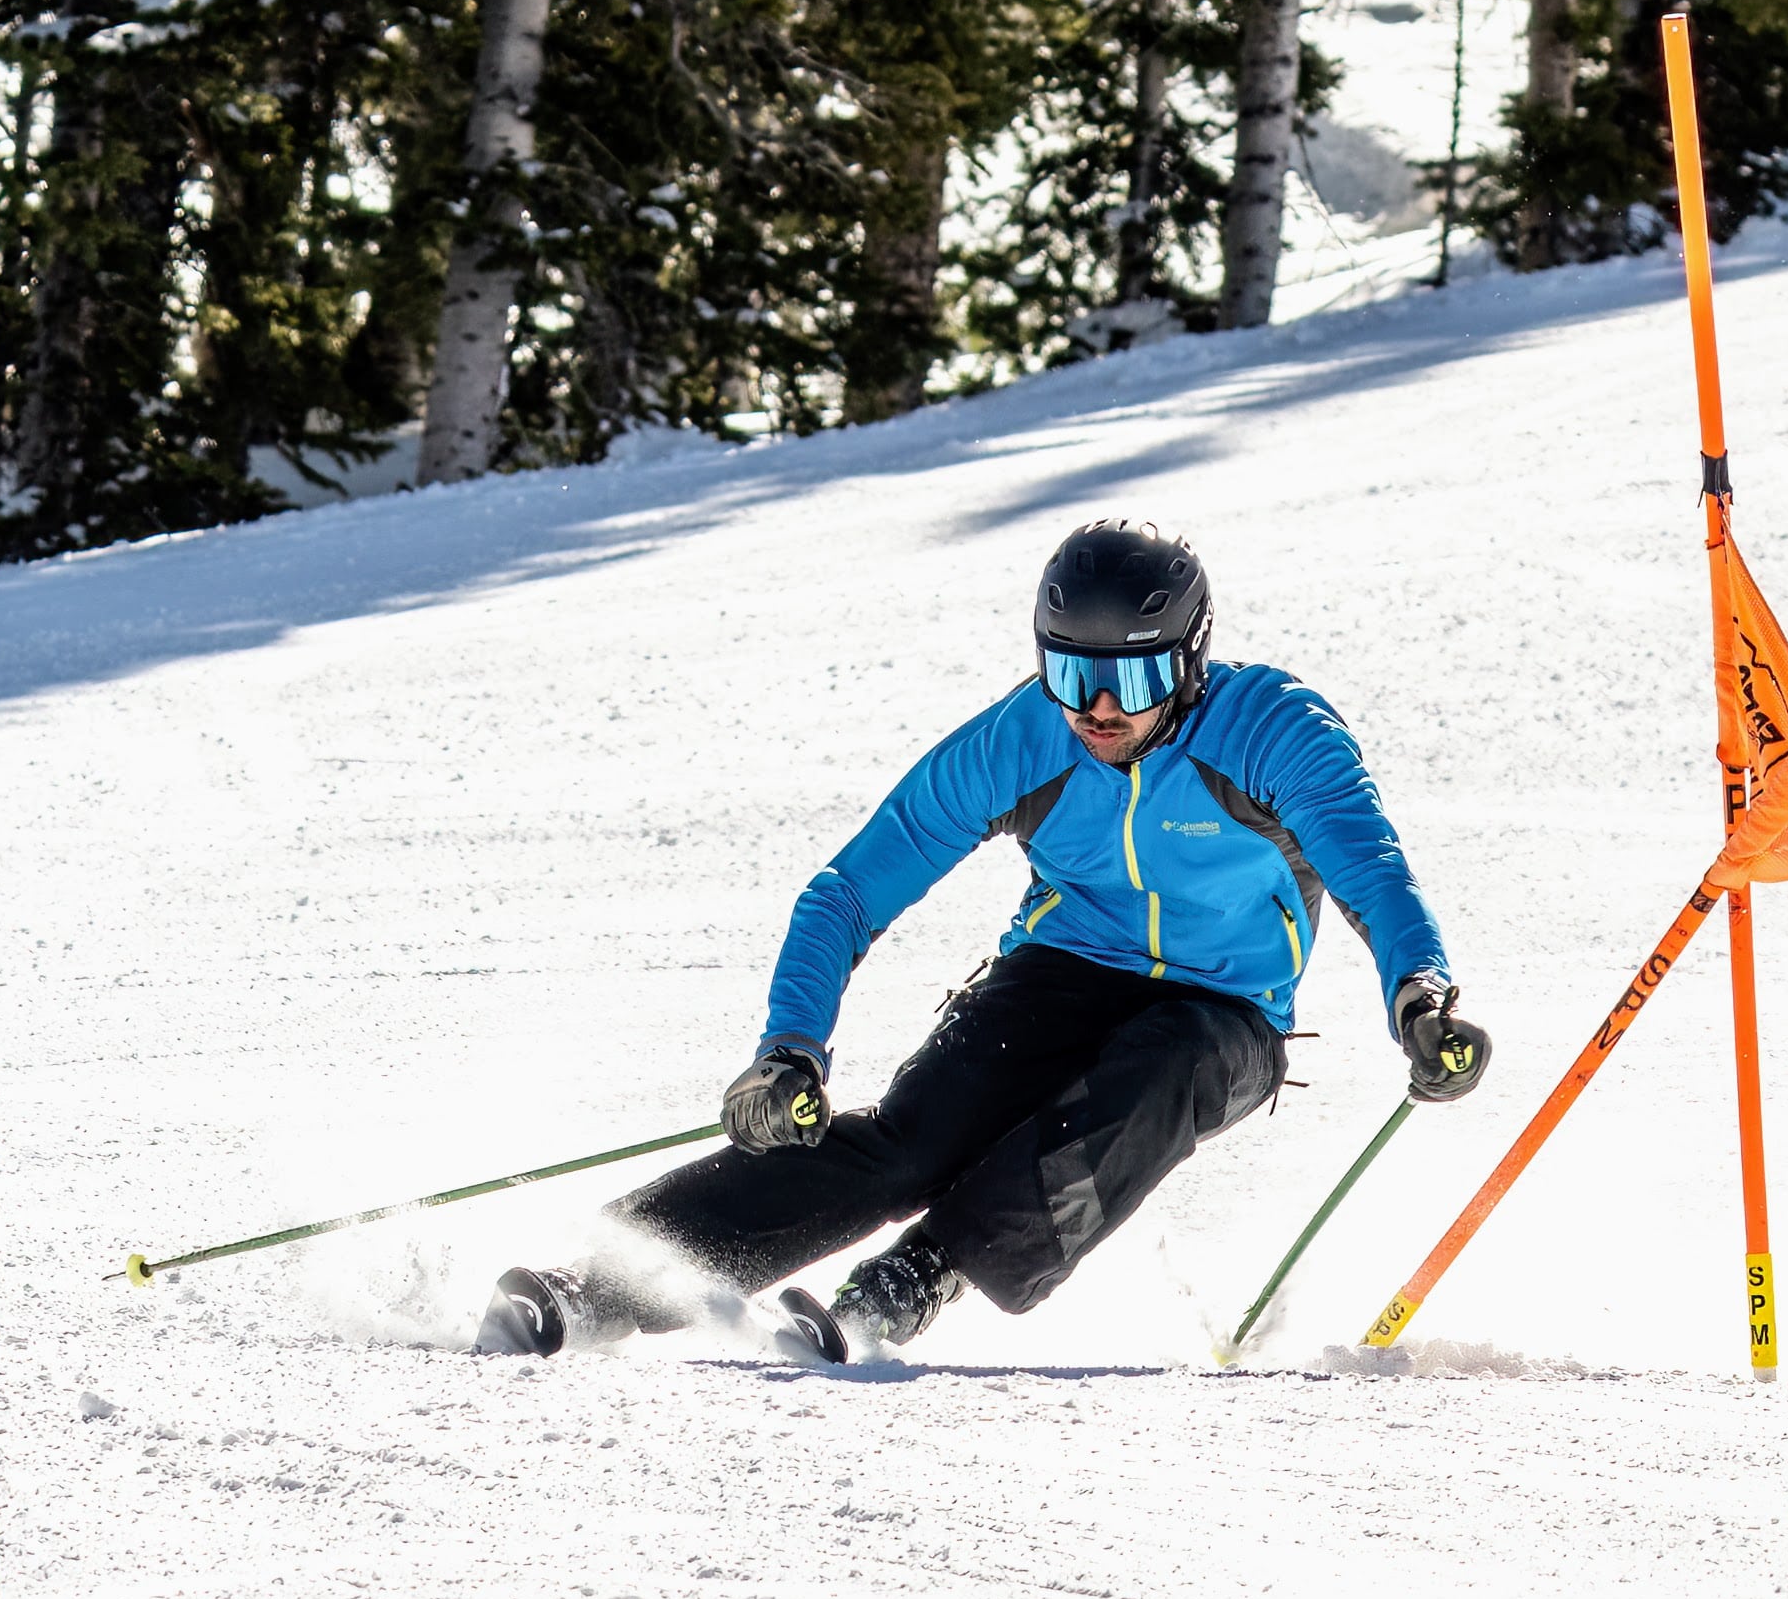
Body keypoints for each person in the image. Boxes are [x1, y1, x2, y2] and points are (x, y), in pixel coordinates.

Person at [477, 518, 1492, 1361]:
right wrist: (789, 1048)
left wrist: (1419, 998)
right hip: (1062, 968)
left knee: (1159, 1069)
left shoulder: (1275, 731)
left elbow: (1371, 873)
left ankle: (919, 1275)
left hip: (1225, 1011)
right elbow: (849, 889)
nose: (1097, 709)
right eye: (1069, 673)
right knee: (906, 1145)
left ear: (1189, 663)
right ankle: (593, 1286)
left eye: (1131, 686)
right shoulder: (1027, 736)